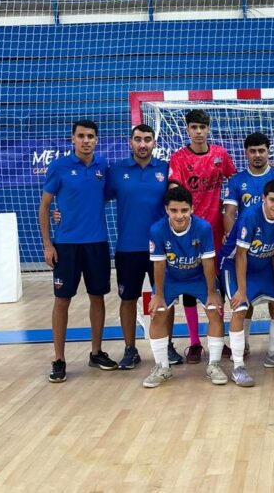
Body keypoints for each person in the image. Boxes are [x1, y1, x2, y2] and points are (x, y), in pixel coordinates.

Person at [38, 119, 116, 382]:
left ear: (97, 140)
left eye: (90, 136)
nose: (86, 140)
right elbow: (45, 206)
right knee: (62, 301)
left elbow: (106, 195)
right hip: (66, 246)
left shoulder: (103, 166)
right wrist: (48, 244)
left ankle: (96, 353)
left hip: (97, 243)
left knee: (98, 297)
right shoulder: (59, 166)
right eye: (81, 136)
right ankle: (59, 359)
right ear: (72, 138)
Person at [104, 124, 179, 369]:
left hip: (161, 248)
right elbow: (93, 198)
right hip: (128, 247)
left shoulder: (165, 170)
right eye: (138, 139)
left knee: (165, 298)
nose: (143, 144)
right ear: (130, 142)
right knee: (128, 299)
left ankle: (167, 347)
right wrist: (63, 213)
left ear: (154, 143)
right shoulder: (116, 171)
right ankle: (130, 349)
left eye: (148, 139)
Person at [168, 109, 237, 364]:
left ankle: (220, 340)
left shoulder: (220, 154)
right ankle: (195, 343)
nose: (198, 131)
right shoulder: (178, 158)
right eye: (194, 127)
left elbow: (237, 181)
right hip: (188, 233)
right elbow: (174, 191)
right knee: (189, 288)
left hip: (217, 233)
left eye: (202, 127)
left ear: (209, 129)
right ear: (187, 129)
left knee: (217, 286)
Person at [222, 132, 274, 355]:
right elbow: (230, 212)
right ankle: (241, 345)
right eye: (252, 151)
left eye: (261, 150)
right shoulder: (237, 180)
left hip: (270, 247)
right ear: (246, 153)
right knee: (246, 301)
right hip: (245, 247)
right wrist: (233, 235)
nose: (257, 155)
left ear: (268, 151)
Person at [144, 187, 225, 388]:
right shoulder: (157, 230)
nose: (179, 215)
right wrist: (159, 295)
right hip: (171, 278)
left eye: (184, 210)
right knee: (158, 312)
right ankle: (162, 368)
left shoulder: (203, 228)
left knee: (215, 311)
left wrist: (212, 293)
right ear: (166, 210)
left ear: (192, 209)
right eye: (174, 210)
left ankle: (214, 364)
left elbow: (208, 263)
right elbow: (159, 264)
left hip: (198, 276)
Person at [221, 179, 274, 386]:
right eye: (272, 200)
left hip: (263, 265)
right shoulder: (249, 216)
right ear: (263, 199)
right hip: (234, 265)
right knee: (240, 307)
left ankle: (272, 354)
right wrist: (242, 291)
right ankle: (238, 367)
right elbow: (241, 255)